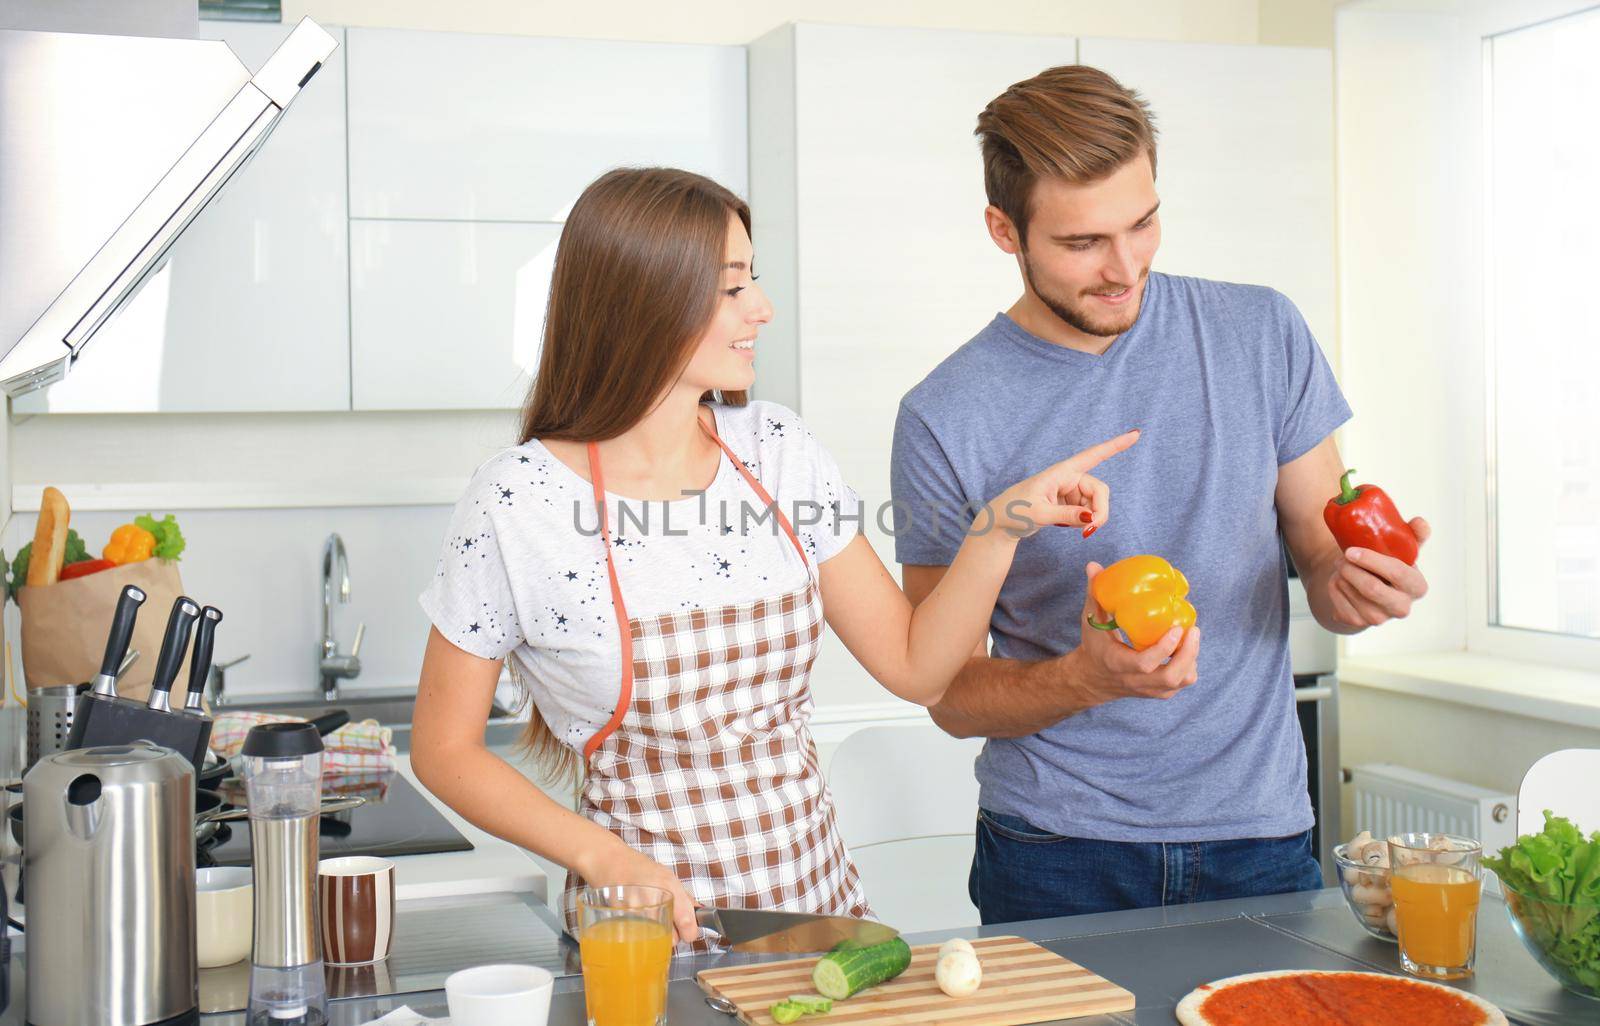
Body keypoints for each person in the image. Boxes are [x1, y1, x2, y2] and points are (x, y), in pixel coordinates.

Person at [411, 166, 1138, 945]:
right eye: (731, 288)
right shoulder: (520, 501)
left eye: (751, 280)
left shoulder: (778, 451)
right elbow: (443, 748)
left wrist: (1000, 527)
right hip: (646, 936)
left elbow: (916, 665)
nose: (762, 308)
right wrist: (599, 854)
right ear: (644, 299)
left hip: (820, 925)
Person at [890, 65, 1432, 925]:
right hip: (1054, 851)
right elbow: (948, 694)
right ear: (1005, 231)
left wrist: (1359, 589)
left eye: (1143, 224)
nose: (1125, 267)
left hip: (1261, 836)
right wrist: (1083, 679)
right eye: (1082, 243)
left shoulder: (1261, 332)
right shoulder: (944, 415)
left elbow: (1326, 567)